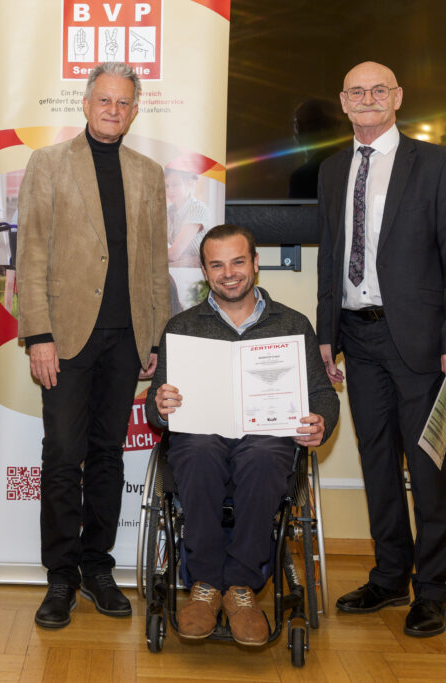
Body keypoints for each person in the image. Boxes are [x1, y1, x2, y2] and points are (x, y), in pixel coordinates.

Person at [316, 61, 446, 637]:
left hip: (421, 343)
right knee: (377, 463)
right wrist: (326, 333)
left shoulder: (436, 166)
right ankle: (389, 577)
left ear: (397, 98)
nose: (368, 98)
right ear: (343, 102)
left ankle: (432, 590)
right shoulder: (332, 170)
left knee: (428, 467)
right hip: (356, 338)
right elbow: (331, 257)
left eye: (378, 90)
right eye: (357, 91)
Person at [16, 62, 171, 629]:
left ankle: (97, 568)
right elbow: (31, 253)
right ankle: (60, 576)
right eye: (104, 100)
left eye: (123, 102)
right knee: (63, 454)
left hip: (126, 339)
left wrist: (156, 336)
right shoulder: (48, 163)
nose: (113, 109)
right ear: (85, 105)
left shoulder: (148, 173)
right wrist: (38, 334)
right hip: (65, 338)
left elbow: (155, 261)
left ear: (134, 111)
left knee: (108, 454)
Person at [146, 224, 339, 646]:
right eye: (217, 265)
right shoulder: (182, 326)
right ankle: (205, 585)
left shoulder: (292, 323)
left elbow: (323, 394)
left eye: (237, 262)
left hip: (265, 440)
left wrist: (321, 420)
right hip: (203, 441)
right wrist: (159, 405)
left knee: (264, 455)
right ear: (204, 271)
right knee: (197, 449)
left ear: (255, 263)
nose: (228, 273)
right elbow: (154, 408)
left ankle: (241, 587)